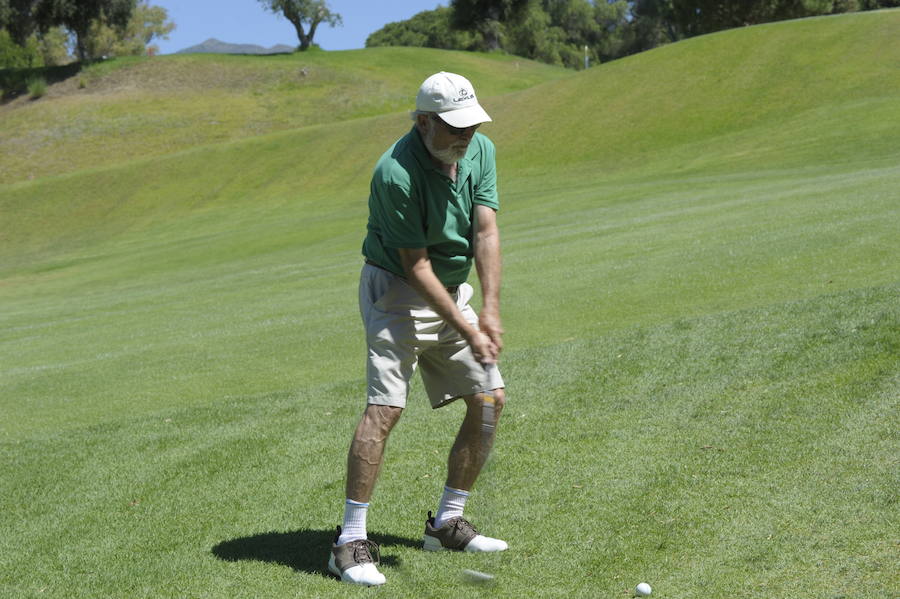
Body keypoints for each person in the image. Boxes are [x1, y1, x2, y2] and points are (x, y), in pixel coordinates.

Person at [327, 72, 508, 586]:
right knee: (385, 410)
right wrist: (470, 330)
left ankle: (447, 523)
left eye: (471, 127)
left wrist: (489, 311)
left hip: (452, 291)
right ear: (424, 122)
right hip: (398, 291)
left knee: (490, 399)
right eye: (454, 129)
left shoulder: (480, 150)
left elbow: (486, 230)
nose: (465, 138)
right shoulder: (395, 173)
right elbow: (417, 267)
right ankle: (349, 542)